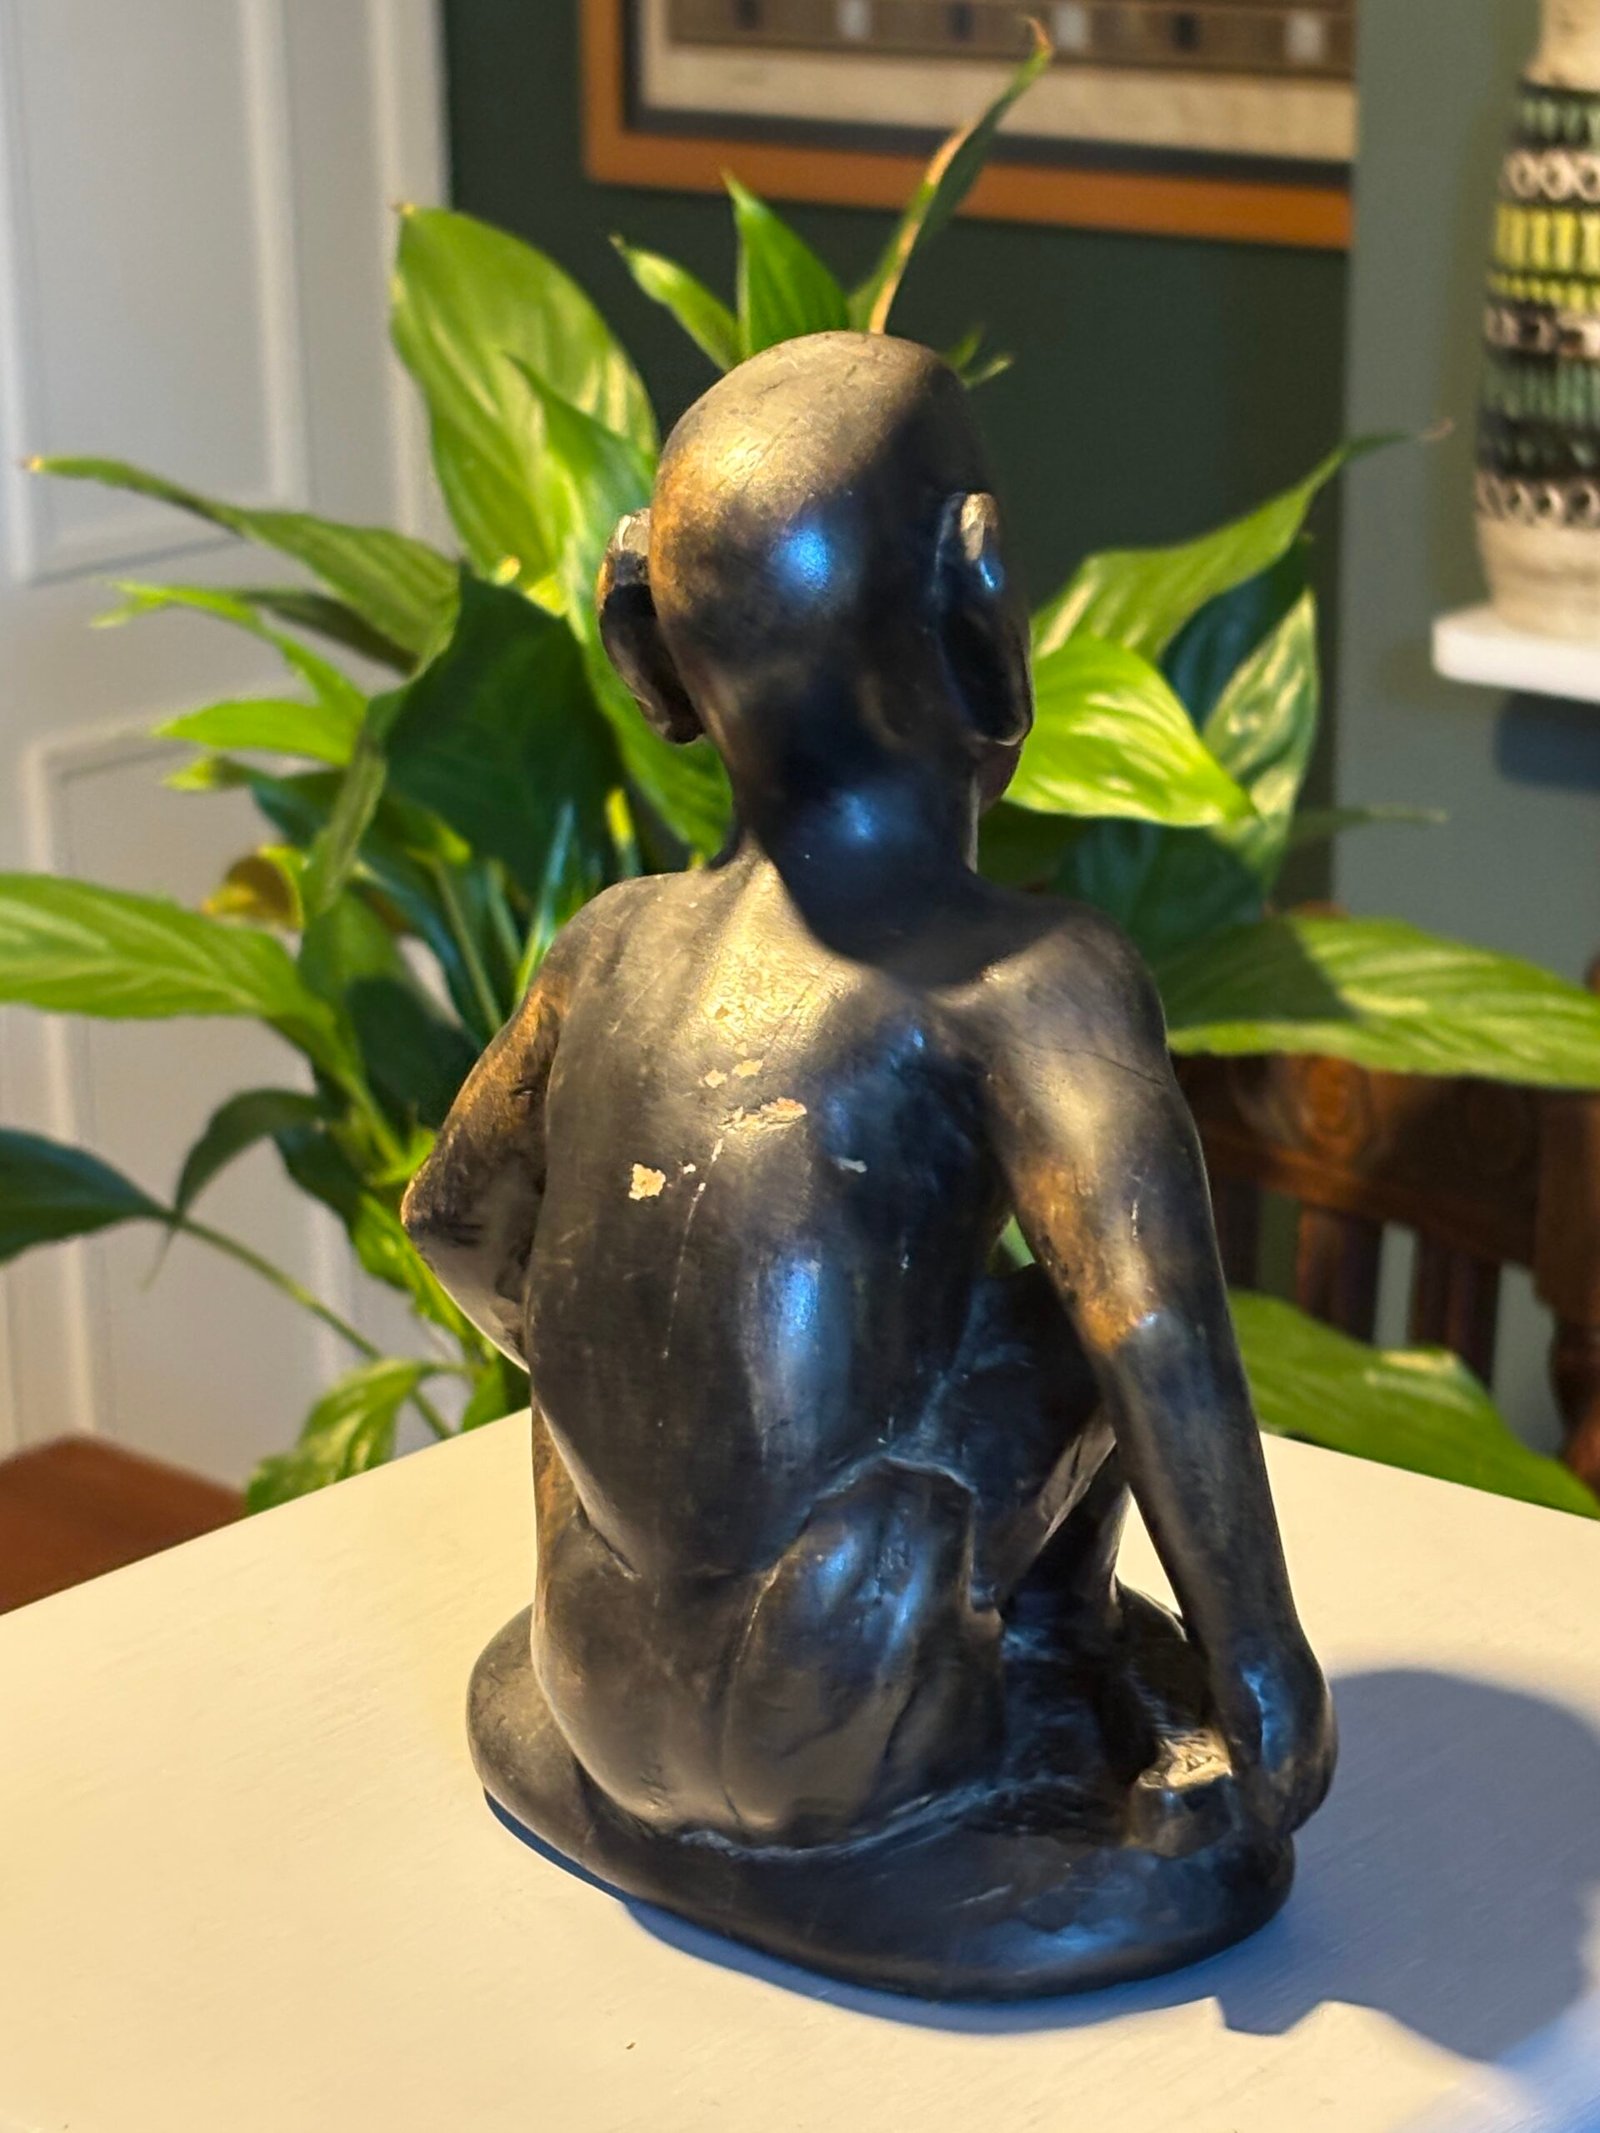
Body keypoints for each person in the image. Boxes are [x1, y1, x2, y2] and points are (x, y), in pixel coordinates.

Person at [403, 333, 1333, 1979]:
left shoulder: (607, 945)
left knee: (728, 1365)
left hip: (591, 1672)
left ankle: (812, 1642)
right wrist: (1267, 1684)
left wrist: (679, 1436)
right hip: (845, 1714)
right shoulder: (1025, 980)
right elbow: (1155, 1326)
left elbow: (454, 1224)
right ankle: (1053, 1652)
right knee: (1074, 1319)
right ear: (979, 591)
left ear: (650, 642)